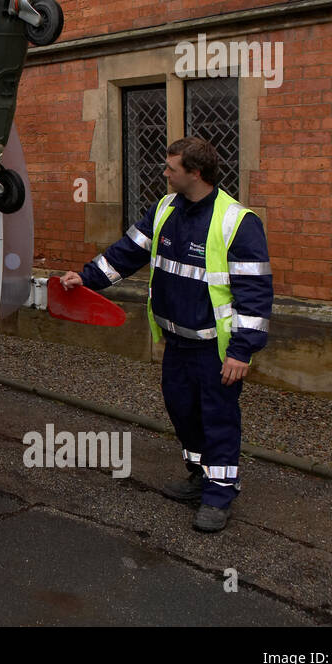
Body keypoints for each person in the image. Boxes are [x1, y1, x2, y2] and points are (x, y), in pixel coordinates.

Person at [59, 137, 271, 533]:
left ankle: (219, 494)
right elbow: (127, 252)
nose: (163, 173)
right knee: (183, 413)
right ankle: (200, 474)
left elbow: (255, 294)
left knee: (218, 419)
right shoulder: (164, 208)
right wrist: (85, 278)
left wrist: (241, 352)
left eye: (171, 168)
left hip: (215, 348)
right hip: (176, 341)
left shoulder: (237, 222)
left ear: (195, 173)